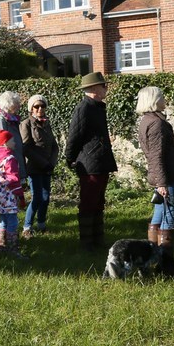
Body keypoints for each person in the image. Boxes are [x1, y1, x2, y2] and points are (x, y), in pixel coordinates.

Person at [136, 86, 174, 278]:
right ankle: (165, 267)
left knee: (158, 217)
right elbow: (156, 156)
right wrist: (162, 183)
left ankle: (151, 261)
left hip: (163, 177)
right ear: (154, 100)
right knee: (169, 218)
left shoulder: (147, 120)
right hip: (167, 178)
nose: (164, 99)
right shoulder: (157, 123)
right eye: (161, 97)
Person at [64, 71, 117, 250]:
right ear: (94, 88)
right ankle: (87, 243)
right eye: (103, 85)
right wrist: (70, 158)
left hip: (100, 162)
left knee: (99, 202)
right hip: (90, 163)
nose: (106, 88)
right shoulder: (84, 108)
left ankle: (98, 240)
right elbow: (74, 136)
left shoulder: (98, 107)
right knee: (89, 202)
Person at [20, 94, 59, 238]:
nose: (40, 109)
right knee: (37, 197)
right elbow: (26, 148)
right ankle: (27, 227)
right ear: (31, 109)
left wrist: (51, 163)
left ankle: (41, 225)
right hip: (35, 167)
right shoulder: (26, 124)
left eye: (43, 106)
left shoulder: (47, 123)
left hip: (47, 167)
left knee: (46, 198)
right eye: (36, 106)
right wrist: (43, 163)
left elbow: (54, 146)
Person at [0, 129, 27, 259]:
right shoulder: (10, 159)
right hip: (9, 196)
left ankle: (1, 245)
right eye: (12, 140)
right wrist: (21, 196)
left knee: (3, 220)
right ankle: (13, 248)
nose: (15, 142)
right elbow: (14, 180)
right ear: (5, 143)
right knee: (13, 222)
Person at [0, 91, 27, 185]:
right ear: (9, 104)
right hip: (7, 169)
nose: (19, 106)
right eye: (17, 103)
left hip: (14, 162)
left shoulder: (12, 119)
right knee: (10, 192)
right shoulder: (0, 120)